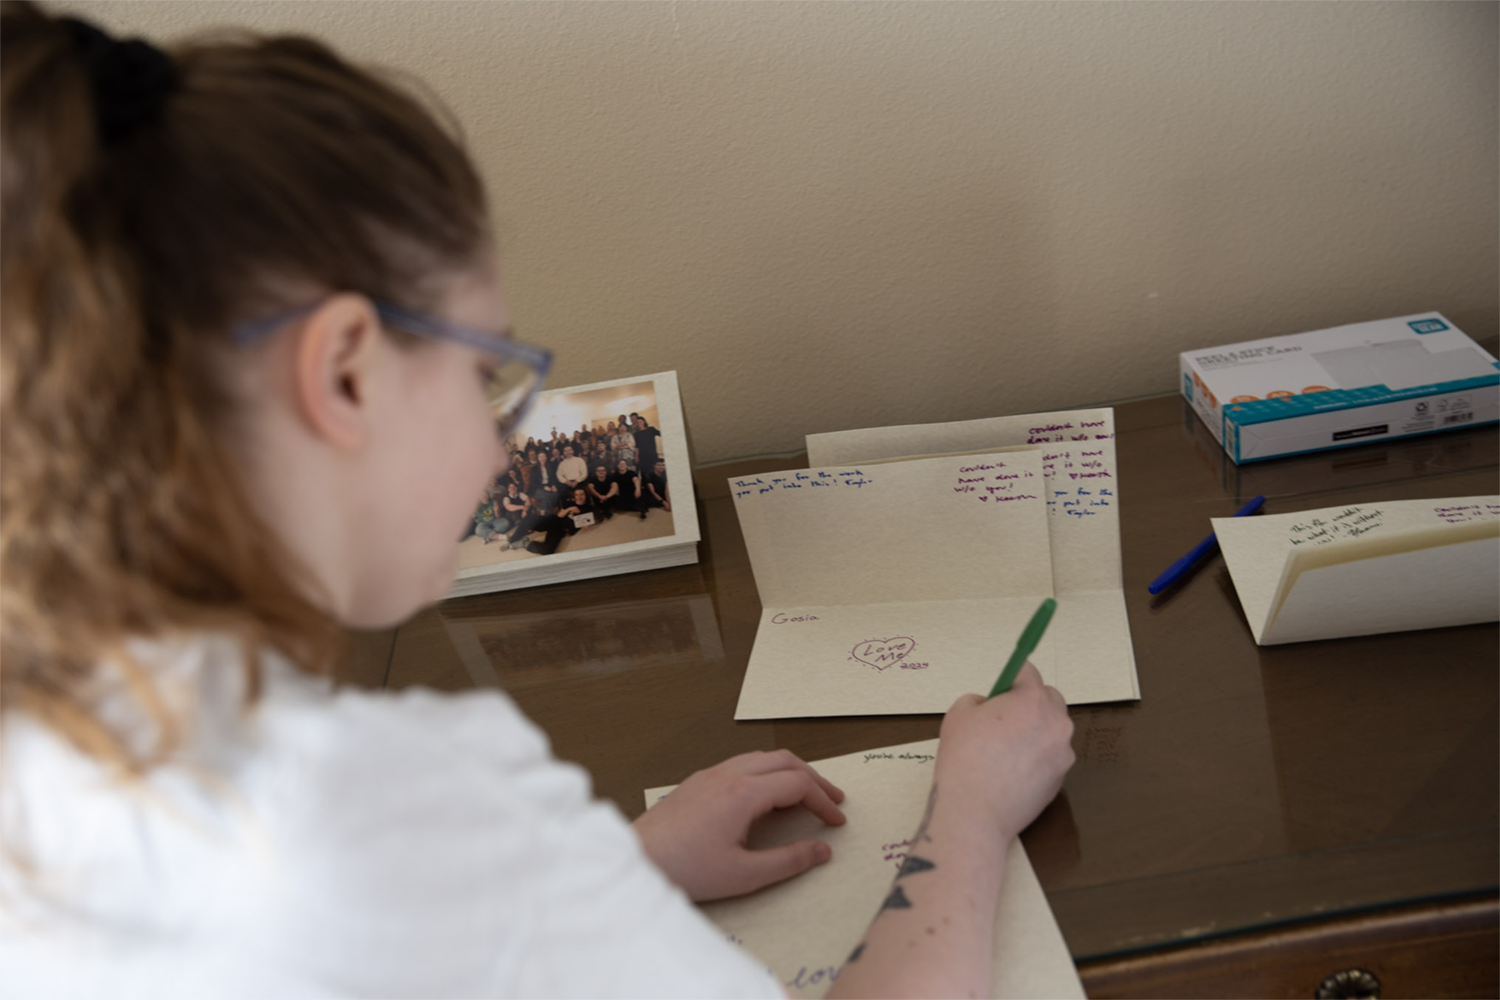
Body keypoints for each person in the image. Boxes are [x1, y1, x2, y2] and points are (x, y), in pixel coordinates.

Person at [0, 6, 1076, 1000]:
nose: (499, 428)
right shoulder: (378, 809)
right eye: (486, 374)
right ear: (344, 374)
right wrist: (970, 813)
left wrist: (615, 871)